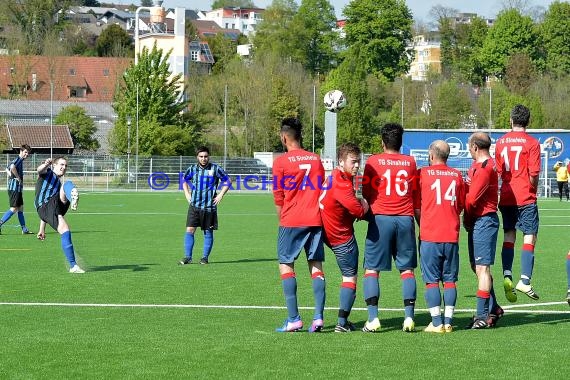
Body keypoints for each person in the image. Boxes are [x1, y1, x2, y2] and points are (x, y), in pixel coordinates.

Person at [361, 123, 420, 333]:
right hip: (405, 219)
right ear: (401, 142)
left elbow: (366, 193)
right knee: (407, 270)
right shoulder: (410, 162)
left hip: (381, 220)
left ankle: (373, 319)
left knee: (372, 270)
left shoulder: (373, 161)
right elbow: (414, 192)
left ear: (382, 141)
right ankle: (409, 318)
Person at [273, 117, 326, 333]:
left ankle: (294, 318)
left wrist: (283, 219)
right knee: (316, 266)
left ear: (284, 137)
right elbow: (322, 189)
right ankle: (319, 317)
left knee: (286, 265)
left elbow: (278, 196)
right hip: (315, 220)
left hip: (291, 220)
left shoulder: (281, 162)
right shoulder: (315, 159)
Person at [320, 143, 369, 333]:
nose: (357, 165)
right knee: (350, 277)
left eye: (359, 161)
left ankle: (341, 321)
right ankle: (341, 322)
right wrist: (363, 204)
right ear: (341, 161)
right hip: (341, 237)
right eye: (353, 162)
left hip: (328, 232)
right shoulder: (341, 182)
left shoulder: (334, 176)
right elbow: (357, 209)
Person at [495, 104, 541, 302]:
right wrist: (532, 188)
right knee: (530, 235)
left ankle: (507, 274)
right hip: (525, 196)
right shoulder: (532, 143)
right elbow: (533, 174)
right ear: (528, 122)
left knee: (509, 234)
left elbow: (498, 172)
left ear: (511, 121)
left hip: (506, 196)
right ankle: (525, 279)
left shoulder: (500, 142)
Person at [418, 140, 465, 333]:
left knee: (431, 280)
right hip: (451, 235)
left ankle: (436, 323)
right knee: (450, 280)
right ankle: (448, 322)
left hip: (430, 234)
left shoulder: (422, 174)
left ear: (431, 155)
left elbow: (416, 204)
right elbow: (461, 204)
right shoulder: (457, 175)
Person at [463, 132, 503, 329]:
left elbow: (472, 200)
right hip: (478, 222)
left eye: (469, 146)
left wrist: (466, 219)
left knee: (482, 268)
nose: (469, 150)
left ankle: (481, 316)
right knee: (476, 266)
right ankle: (493, 307)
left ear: (475, 147)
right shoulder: (477, 166)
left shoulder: (486, 168)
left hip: (484, 221)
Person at [179, 146, 231, 265]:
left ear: (209, 157)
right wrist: (187, 194)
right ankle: (188, 257)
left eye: (205, 156)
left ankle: (204, 258)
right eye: (201, 156)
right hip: (194, 206)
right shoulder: (192, 169)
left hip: (209, 207)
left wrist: (221, 195)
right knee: (190, 230)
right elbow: (184, 180)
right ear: (197, 157)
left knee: (208, 232)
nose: (203, 159)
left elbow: (228, 180)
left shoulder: (215, 169)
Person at [35, 157, 83, 273]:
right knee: (66, 185)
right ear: (54, 165)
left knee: (65, 231)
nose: (64, 167)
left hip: (51, 208)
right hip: (45, 205)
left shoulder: (58, 182)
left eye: (66, 166)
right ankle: (72, 195)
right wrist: (46, 164)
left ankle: (73, 267)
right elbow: (39, 170)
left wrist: (42, 229)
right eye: (62, 164)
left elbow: (45, 214)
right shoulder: (48, 173)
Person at [0, 144, 33, 235]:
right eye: (25, 152)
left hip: (17, 189)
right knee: (14, 209)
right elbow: (12, 167)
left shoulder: (19, 160)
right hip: (14, 188)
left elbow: (7, 168)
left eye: (28, 153)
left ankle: (24, 229)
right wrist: (17, 177)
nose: (27, 154)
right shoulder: (18, 159)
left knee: (21, 208)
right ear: (21, 151)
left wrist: (10, 175)